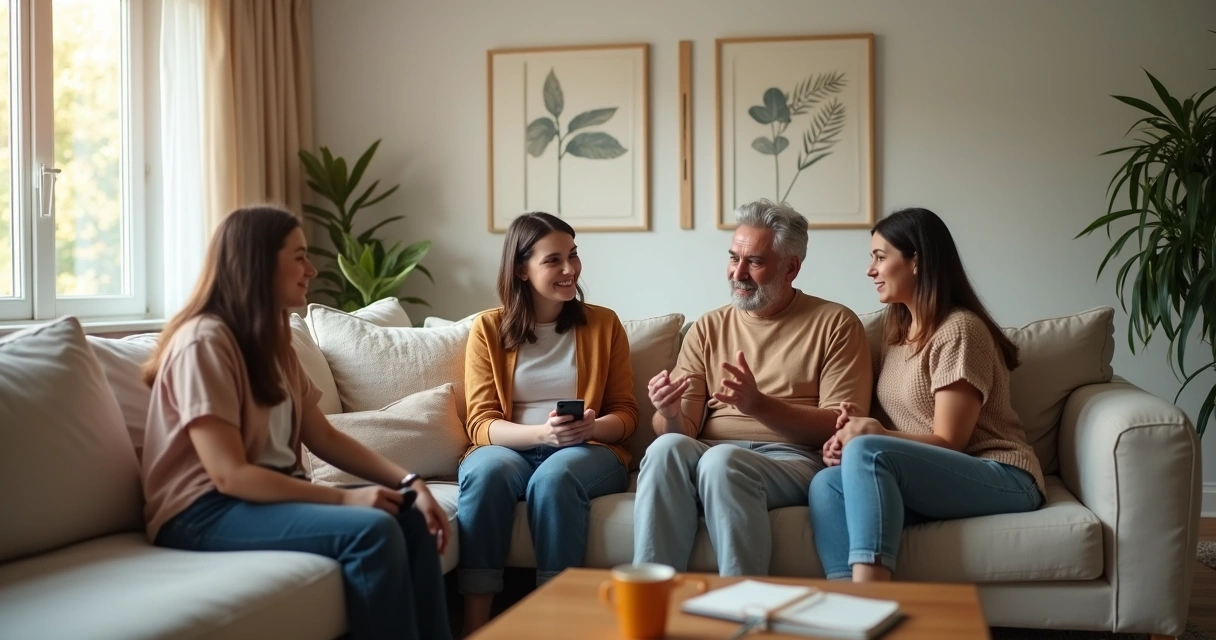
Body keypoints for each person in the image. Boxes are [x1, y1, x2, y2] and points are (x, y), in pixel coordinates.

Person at [140, 206, 451, 640]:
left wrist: (410, 481)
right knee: (374, 529)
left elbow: (321, 434)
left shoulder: (274, 341)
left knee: (407, 515)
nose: (312, 268)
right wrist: (344, 502)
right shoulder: (204, 343)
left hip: (264, 498)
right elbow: (229, 476)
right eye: (300, 256)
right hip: (201, 511)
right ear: (260, 262)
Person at [633, 199, 873, 576]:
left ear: (791, 267)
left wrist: (759, 405)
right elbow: (683, 433)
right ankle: (651, 598)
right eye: (733, 258)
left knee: (721, 462)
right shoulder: (708, 328)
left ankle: (743, 608)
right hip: (709, 451)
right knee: (666, 446)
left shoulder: (835, 324)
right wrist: (670, 413)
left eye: (755, 262)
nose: (738, 273)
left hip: (791, 460)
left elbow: (841, 426)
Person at [810, 207, 1045, 582]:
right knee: (826, 484)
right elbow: (900, 432)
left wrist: (874, 438)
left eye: (880, 257)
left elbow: (950, 441)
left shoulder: (959, 331)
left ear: (915, 261)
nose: (870, 270)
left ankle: (872, 601)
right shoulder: (897, 333)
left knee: (869, 451)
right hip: (936, 477)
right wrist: (847, 437)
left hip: (1001, 475)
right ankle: (848, 606)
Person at [458, 212, 637, 633]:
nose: (570, 269)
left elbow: (626, 415)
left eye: (573, 256)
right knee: (486, 471)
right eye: (553, 260)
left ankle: (556, 621)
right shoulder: (488, 328)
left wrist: (591, 428)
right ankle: (474, 624)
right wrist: (542, 434)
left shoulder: (603, 324)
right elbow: (481, 424)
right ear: (521, 268)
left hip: (587, 450)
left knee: (553, 478)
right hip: (510, 447)